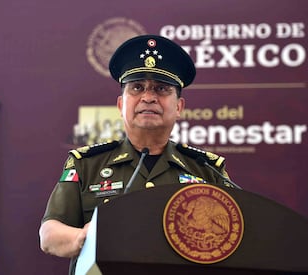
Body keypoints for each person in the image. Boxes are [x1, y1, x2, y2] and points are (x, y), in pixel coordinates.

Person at [39, 34, 232, 274]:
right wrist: (85, 237)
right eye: (137, 87)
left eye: (161, 89)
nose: (149, 97)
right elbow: (49, 235)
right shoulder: (87, 164)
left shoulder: (206, 169)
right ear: (121, 105)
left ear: (179, 107)